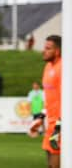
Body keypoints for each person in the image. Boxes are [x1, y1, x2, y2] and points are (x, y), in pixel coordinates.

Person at [29, 35, 62, 168]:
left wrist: (59, 126)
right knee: (49, 158)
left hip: (60, 124)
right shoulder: (48, 67)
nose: (44, 51)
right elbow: (49, 99)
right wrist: (41, 118)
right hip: (51, 123)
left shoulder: (63, 68)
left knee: (56, 161)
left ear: (57, 51)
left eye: (48, 48)